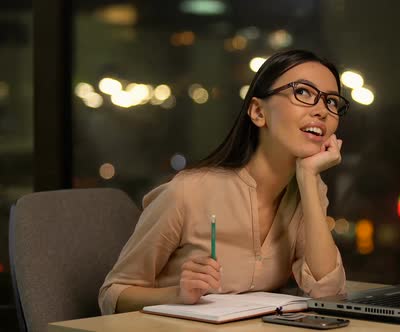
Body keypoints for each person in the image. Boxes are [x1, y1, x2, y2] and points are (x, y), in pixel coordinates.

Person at [99, 49, 350, 314]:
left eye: (332, 102)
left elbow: (328, 293)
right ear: (258, 112)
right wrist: (177, 294)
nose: (322, 110)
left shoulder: (307, 191)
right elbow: (112, 294)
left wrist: (309, 180)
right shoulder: (189, 192)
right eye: (303, 93)